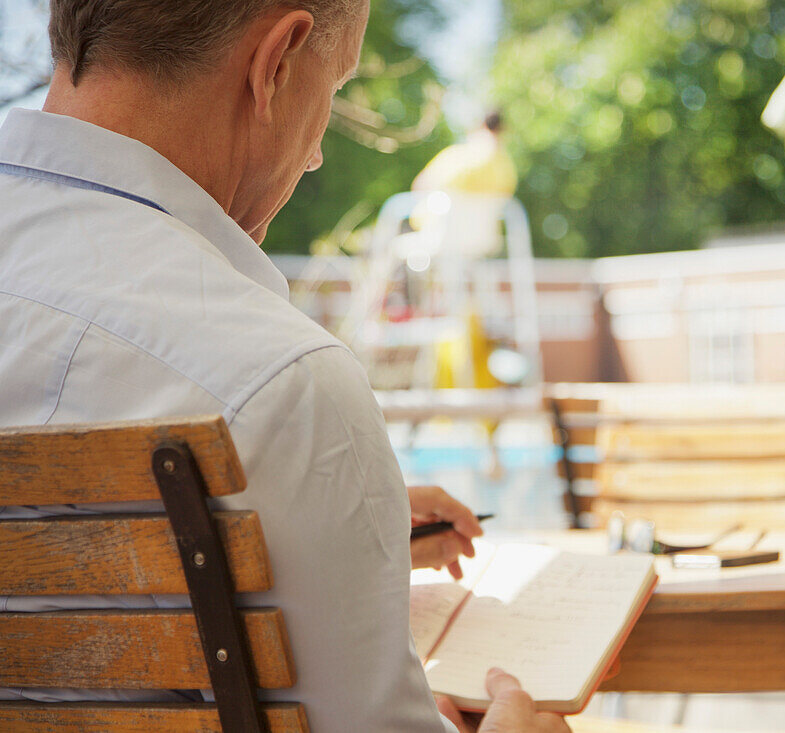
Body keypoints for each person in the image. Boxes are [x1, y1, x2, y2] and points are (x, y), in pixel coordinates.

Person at [0, 2, 568, 731]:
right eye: (332, 89)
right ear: (277, 64)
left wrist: (325, 527)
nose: (319, 153)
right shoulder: (282, 388)